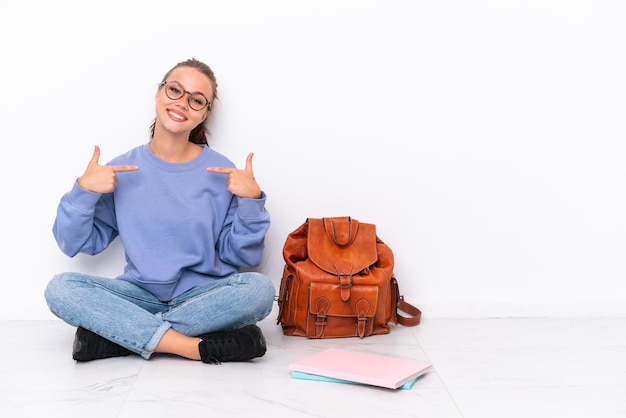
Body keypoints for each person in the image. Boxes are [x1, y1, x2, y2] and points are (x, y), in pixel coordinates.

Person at [44, 58, 275, 364]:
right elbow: (74, 244)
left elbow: (243, 258)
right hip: (138, 298)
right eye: (175, 90)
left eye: (196, 100)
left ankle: (119, 339)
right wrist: (83, 190)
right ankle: (191, 346)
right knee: (60, 289)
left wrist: (251, 202)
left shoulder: (222, 171)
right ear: (158, 93)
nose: (182, 103)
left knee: (260, 290)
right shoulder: (122, 169)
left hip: (202, 298)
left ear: (205, 113)